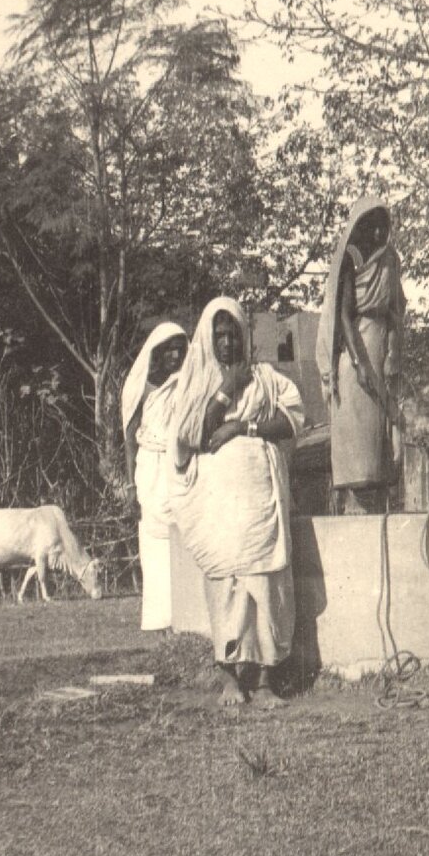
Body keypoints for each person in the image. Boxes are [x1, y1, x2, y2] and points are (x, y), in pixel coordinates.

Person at [169, 297, 306, 708]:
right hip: (220, 507)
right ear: (209, 340)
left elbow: (292, 420)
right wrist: (226, 391)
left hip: (261, 499)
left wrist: (243, 427)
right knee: (226, 585)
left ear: (245, 336)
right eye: (220, 335)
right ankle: (231, 677)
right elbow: (194, 433)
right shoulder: (195, 383)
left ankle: (265, 680)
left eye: (234, 335)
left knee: (265, 581)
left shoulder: (265, 377)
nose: (227, 343)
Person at [316, 197, 406, 514]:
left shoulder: (390, 259)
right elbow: (344, 316)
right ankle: (358, 505)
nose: (380, 231)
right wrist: (360, 363)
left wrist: (392, 353)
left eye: (385, 224)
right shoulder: (350, 257)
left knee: (386, 438)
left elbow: (396, 309)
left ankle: (380, 503)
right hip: (357, 347)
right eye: (373, 225)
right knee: (360, 446)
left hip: (382, 345)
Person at [121, 321, 188, 632]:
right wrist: (131, 484)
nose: (175, 354)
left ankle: (186, 615)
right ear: (158, 352)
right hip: (149, 469)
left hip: (178, 466)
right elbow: (130, 436)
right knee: (154, 543)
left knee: (183, 535)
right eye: (169, 349)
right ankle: (161, 618)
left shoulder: (186, 384)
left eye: (180, 348)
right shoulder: (142, 387)